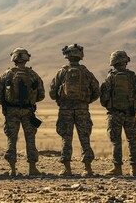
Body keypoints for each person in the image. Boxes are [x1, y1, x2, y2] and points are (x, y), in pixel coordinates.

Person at [49, 44, 99, 176]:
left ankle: (67, 169)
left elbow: (52, 92)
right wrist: (86, 101)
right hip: (82, 109)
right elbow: (96, 90)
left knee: (66, 138)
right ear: (80, 56)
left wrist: (61, 101)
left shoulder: (62, 72)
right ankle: (87, 169)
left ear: (67, 56)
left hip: (65, 110)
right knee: (84, 138)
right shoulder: (86, 72)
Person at [0, 48, 45, 176]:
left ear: (14, 59)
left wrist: (7, 104)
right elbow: (41, 94)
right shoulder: (33, 75)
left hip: (11, 111)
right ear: (27, 58)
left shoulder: (7, 74)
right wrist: (31, 102)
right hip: (28, 111)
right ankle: (32, 168)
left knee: (11, 139)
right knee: (30, 139)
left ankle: (12, 169)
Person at [100, 51, 136, 176]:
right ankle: (134, 169)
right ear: (125, 61)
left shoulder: (110, 78)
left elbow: (103, 98)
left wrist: (110, 107)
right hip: (130, 114)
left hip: (114, 114)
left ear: (113, 62)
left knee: (116, 141)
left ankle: (117, 168)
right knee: (132, 140)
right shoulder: (134, 77)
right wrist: (135, 109)